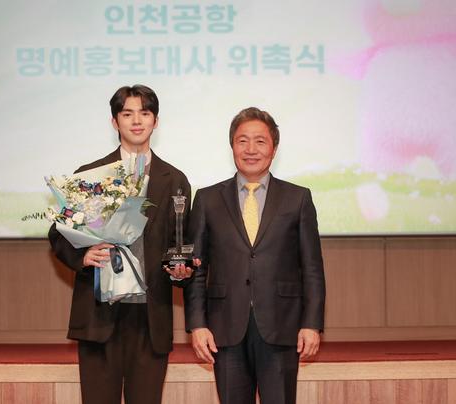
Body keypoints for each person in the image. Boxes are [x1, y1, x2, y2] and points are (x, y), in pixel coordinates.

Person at [49, 84, 193, 404]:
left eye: (145, 113)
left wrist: (181, 271)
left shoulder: (175, 180)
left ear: (156, 121)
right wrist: (83, 256)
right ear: (115, 122)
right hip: (100, 315)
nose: (137, 121)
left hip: (150, 318)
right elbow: (59, 234)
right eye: (127, 114)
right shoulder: (90, 175)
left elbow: (181, 243)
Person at [184, 107, 326, 404]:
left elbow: (312, 268)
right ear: (232, 146)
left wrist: (312, 324)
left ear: (274, 148)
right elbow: (196, 269)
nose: (251, 149)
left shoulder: (298, 198)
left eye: (260, 141)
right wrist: (197, 325)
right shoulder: (208, 199)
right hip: (224, 331)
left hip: (282, 327)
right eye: (242, 141)